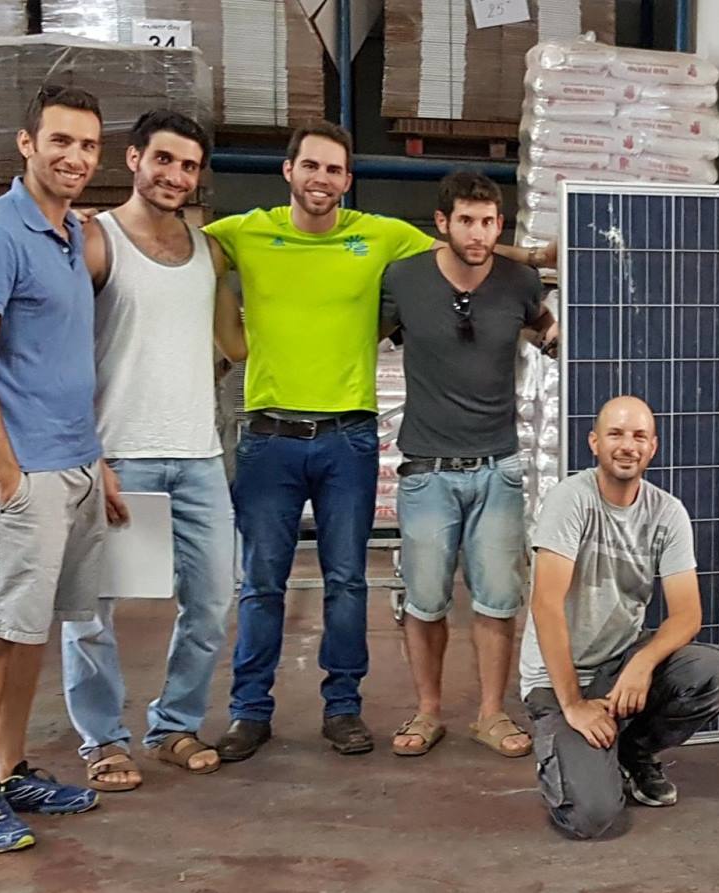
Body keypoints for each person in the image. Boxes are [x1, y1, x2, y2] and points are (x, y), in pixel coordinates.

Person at [206, 121, 554, 762]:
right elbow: (181, 258)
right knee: (261, 583)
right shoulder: (244, 231)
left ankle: (346, 711)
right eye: (311, 166)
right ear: (288, 170)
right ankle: (250, 713)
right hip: (272, 436)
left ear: (348, 179)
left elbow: (484, 268)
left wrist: (539, 258)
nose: (322, 179)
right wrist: (227, 343)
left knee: (348, 583)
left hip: (352, 438)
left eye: (335, 170)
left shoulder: (385, 238)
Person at [0, 86, 110, 853]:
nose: (75, 157)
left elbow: (60, 361)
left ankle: (10, 769)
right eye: (61, 142)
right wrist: (6, 476)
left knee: (32, 625)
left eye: (88, 146)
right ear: (26, 143)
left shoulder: (70, 232)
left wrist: (92, 457)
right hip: (26, 476)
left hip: (72, 465)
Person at [59, 110, 246, 791]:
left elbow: (234, 344)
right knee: (92, 607)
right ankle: (102, 738)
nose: (174, 175)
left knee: (212, 599)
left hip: (197, 458)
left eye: (188, 165)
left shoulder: (208, 250)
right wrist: (88, 449)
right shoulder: (95, 239)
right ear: (134, 158)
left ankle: (173, 723)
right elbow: (62, 349)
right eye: (163, 159)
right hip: (119, 453)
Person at [379, 170, 557, 759]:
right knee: (426, 601)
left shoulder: (520, 283)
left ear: (499, 225)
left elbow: (550, 333)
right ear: (442, 223)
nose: (478, 234)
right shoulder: (404, 281)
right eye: (466, 221)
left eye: (488, 222)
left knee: (498, 599)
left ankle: (489, 713)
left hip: (499, 469)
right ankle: (427, 712)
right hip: (427, 469)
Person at [517, 396, 719, 839]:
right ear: (594, 442)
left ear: (653, 447)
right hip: (558, 678)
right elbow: (546, 604)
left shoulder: (667, 513)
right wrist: (574, 705)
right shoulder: (571, 500)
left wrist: (642, 663)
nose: (628, 445)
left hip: (618, 667)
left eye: (639, 436)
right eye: (616, 434)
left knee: (714, 675)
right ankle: (571, 755)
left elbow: (687, 614)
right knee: (592, 817)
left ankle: (633, 752)